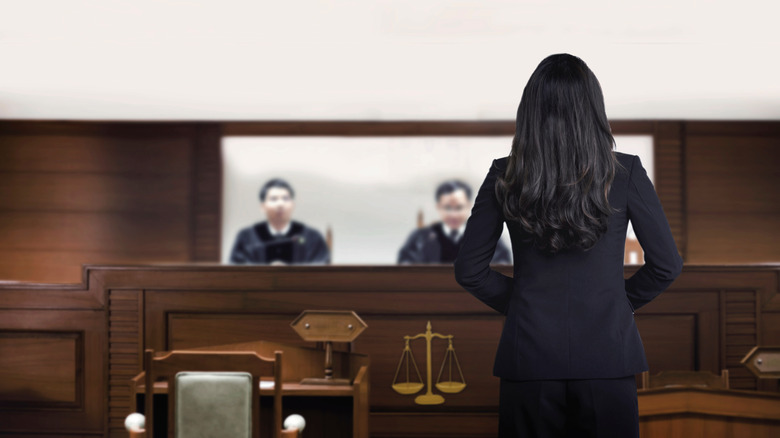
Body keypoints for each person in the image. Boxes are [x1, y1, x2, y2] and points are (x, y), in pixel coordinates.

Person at [453, 54, 683, 437]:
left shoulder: (503, 173)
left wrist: (519, 302)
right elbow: (667, 266)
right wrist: (618, 302)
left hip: (528, 358)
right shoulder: (626, 172)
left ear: (530, 110)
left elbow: (469, 271)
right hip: (609, 358)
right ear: (593, 108)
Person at [398, 180, 512, 264]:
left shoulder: (486, 235)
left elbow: (502, 264)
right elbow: (405, 267)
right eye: (447, 208)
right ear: (438, 207)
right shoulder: (420, 238)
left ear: (469, 206)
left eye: (459, 207)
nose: (453, 214)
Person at [229, 178, 330, 265]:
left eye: (285, 199)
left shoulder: (311, 236)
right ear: (262, 206)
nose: (280, 204)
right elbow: (236, 270)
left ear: (293, 204)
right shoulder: (247, 237)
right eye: (273, 199)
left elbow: (321, 269)